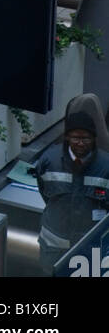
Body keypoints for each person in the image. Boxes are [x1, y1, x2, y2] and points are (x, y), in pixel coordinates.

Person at [29, 111, 109, 274]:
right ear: (67, 137)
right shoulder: (49, 161)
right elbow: (45, 192)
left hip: (90, 251)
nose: (80, 143)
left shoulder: (106, 167)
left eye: (85, 138)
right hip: (54, 250)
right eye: (75, 137)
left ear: (94, 139)